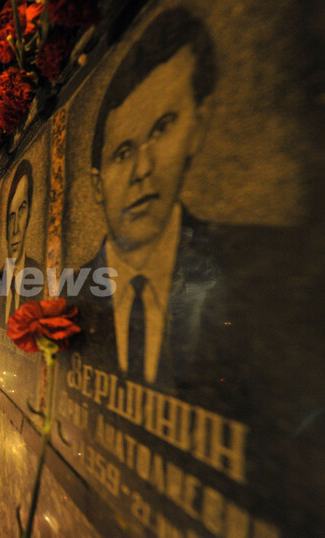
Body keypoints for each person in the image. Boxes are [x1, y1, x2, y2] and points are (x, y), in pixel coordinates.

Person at [77, 7, 222, 388]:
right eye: (122, 153)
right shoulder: (69, 290)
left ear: (197, 127)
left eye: (161, 129)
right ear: (95, 184)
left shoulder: (249, 271)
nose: (142, 169)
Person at [0, 160, 43, 324]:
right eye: (11, 216)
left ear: (29, 214)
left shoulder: (40, 275)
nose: (15, 229)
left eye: (21, 210)